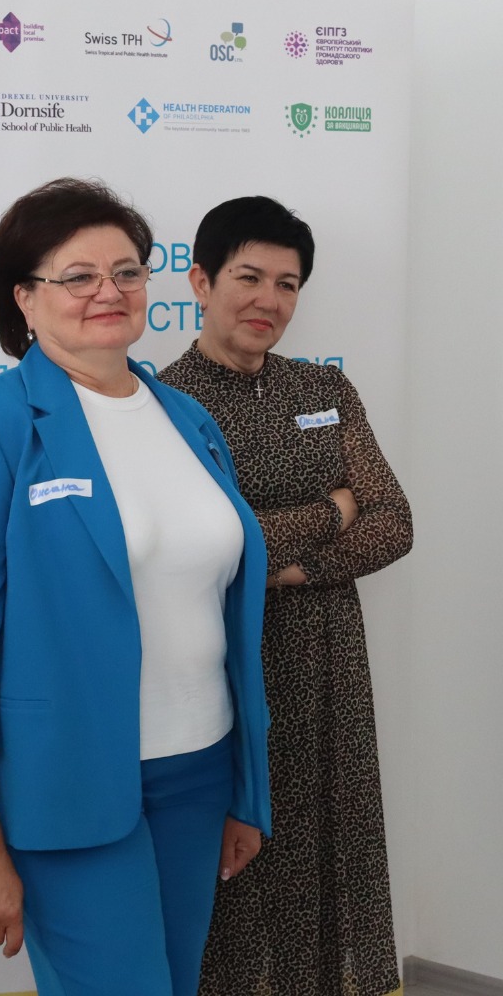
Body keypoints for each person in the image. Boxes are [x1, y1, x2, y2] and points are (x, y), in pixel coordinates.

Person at [0, 178, 272, 996]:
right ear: (24, 299)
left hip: (199, 772)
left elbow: (218, 611)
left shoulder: (187, 418)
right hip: (65, 788)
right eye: (78, 276)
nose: (109, 291)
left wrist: (245, 790)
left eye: (127, 271)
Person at [158, 195, 412, 996]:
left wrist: (289, 568)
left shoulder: (325, 388)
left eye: (288, 284)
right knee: (235, 864)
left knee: (327, 850)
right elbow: (214, 545)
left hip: (331, 668)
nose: (268, 300)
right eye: (249, 277)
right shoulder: (164, 404)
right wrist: (333, 509)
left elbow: (395, 522)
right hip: (225, 667)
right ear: (201, 281)